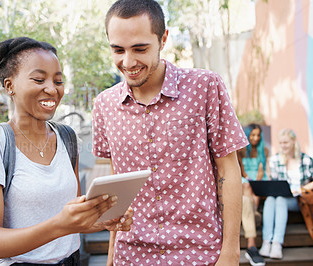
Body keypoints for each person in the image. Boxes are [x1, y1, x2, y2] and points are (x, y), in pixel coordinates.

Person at [92, 0, 249, 265]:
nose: (128, 62)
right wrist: (111, 256)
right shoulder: (104, 105)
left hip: (200, 254)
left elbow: (229, 170)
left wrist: (231, 252)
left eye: (140, 49)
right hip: (131, 256)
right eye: (118, 50)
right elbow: (118, 184)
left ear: (163, 39)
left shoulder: (205, 86)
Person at [0, 37, 133, 265]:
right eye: (39, 79)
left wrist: (104, 220)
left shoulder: (67, 137)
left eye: (58, 81)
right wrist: (60, 224)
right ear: (10, 86)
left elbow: (74, 220)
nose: (51, 89)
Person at [259, 128, 313, 259]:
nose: (283, 145)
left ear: (293, 142)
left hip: (299, 198)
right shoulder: (275, 160)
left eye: (286, 142)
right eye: (281, 143)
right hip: (281, 198)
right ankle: (267, 242)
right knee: (272, 199)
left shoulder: (306, 160)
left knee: (280, 200)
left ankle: (277, 243)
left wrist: (300, 189)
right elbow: (274, 184)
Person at [237, 124, 269, 265]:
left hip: (258, 181)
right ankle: (255, 216)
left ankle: (254, 212)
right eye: (253, 135)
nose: (255, 138)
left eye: (258, 135)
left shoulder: (264, 150)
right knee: (246, 188)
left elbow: (262, 171)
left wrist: (257, 179)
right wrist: (249, 180)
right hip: (245, 181)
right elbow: (242, 171)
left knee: (250, 193)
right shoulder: (240, 150)